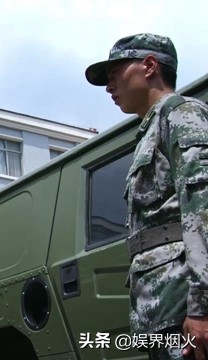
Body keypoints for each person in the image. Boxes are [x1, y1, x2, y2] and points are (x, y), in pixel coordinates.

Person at [86, 33, 208, 359]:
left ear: (150, 65)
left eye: (115, 74)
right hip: (160, 311)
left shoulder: (181, 115)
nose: (109, 86)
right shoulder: (148, 131)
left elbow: (203, 207)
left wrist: (201, 306)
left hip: (185, 308)